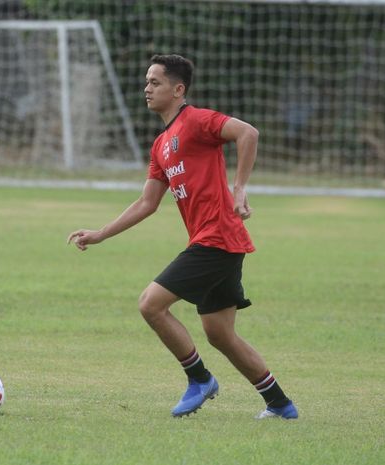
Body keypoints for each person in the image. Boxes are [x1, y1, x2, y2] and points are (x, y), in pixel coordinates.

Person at [67, 54, 298, 419]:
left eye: (155, 82)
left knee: (150, 304)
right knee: (220, 334)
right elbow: (147, 203)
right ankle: (281, 404)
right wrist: (100, 234)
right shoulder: (161, 145)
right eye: (146, 82)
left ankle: (200, 379)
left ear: (178, 89)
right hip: (218, 242)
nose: (146, 88)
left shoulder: (197, 121)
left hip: (217, 238)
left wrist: (239, 188)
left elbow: (247, 133)